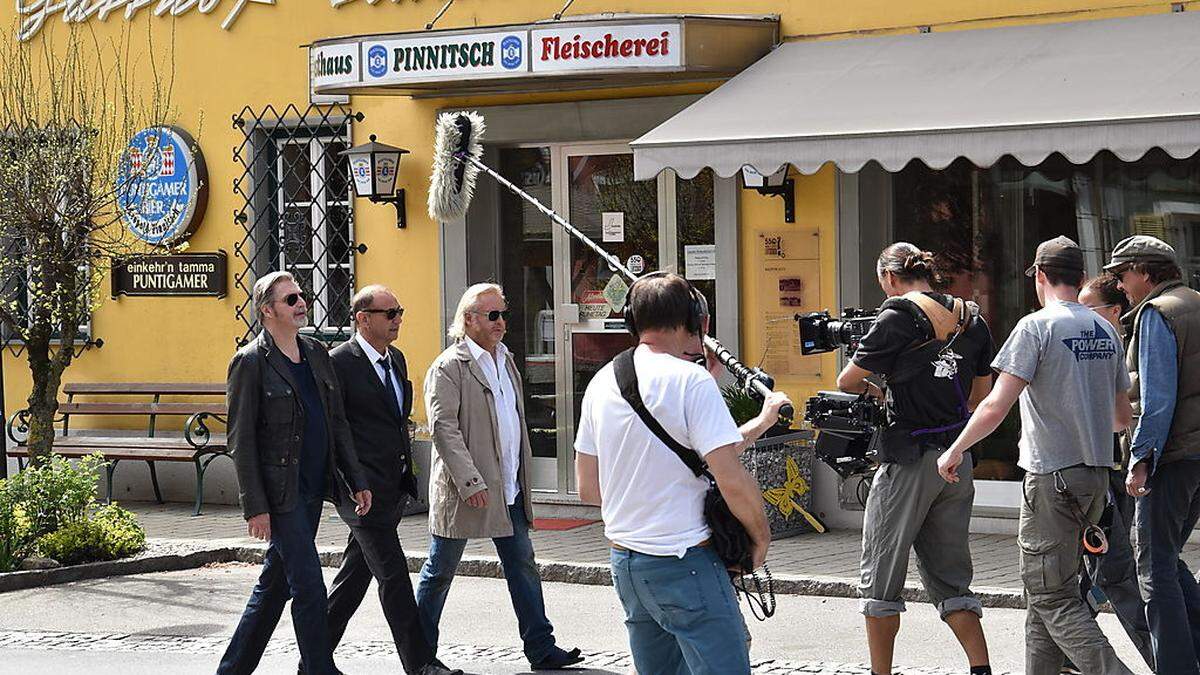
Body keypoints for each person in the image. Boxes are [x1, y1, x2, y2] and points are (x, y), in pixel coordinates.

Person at [573, 272, 789, 675]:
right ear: (698, 321)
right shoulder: (690, 382)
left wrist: (759, 422)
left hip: (627, 563)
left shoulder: (604, 380)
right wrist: (760, 538)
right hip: (685, 562)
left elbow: (589, 486)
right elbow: (731, 477)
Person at [937, 236, 1134, 675]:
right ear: (1081, 278)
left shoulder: (1036, 326)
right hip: (1095, 477)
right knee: (1046, 592)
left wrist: (955, 448)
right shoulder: (1106, 329)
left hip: (1051, 477)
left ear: (1040, 277)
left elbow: (994, 405)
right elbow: (1122, 418)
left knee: (1052, 597)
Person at [836, 243, 995, 675]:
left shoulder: (895, 317)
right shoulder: (972, 318)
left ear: (889, 279)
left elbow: (848, 379)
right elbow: (981, 398)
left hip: (908, 459)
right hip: (956, 461)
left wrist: (880, 390)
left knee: (880, 576)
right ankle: (981, 670)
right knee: (952, 579)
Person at [417, 283, 583, 671]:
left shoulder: (505, 359)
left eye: (504, 314)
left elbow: (513, 422)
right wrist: (470, 481)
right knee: (440, 571)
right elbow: (443, 429)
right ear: (469, 319)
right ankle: (420, 655)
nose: (501, 322)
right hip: (465, 489)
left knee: (522, 565)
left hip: (507, 484)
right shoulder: (449, 366)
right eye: (493, 315)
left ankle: (541, 648)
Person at [218, 271, 372, 675]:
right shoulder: (250, 362)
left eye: (301, 296)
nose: (301, 302)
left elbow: (336, 422)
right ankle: (319, 669)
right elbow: (241, 440)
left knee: (274, 586)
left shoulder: (317, 353)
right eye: (290, 299)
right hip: (279, 494)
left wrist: (355, 478)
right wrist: (255, 506)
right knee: (307, 584)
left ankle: (232, 670)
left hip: (312, 488)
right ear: (267, 310)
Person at [314, 285, 462, 675]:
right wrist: (352, 480)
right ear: (363, 319)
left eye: (400, 311)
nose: (398, 319)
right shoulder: (338, 363)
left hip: (390, 486)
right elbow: (335, 428)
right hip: (359, 491)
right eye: (390, 313)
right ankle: (420, 664)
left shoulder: (394, 358)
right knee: (393, 576)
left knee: (353, 577)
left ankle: (313, 659)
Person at [1106, 235, 1200, 674]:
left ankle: (1176, 668)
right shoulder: (1196, 302)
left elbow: (1158, 398)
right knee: (1166, 557)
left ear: (1144, 272)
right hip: (1196, 455)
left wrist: (1141, 460)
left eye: (1123, 275)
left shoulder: (1157, 313)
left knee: (1153, 568)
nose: (1121, 286)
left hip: (1174, 456)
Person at [1071, 274, 1154, 671]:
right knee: (1085, 569)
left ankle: (1166, 658)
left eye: (1088, 309)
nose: (1080, 318)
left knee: (1117, 572)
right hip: (1101, 472)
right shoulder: (1107, 345)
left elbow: (1130, 414)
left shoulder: (1126, 347)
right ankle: (1069, 657)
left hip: (1118, 475)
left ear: (1114, 311)